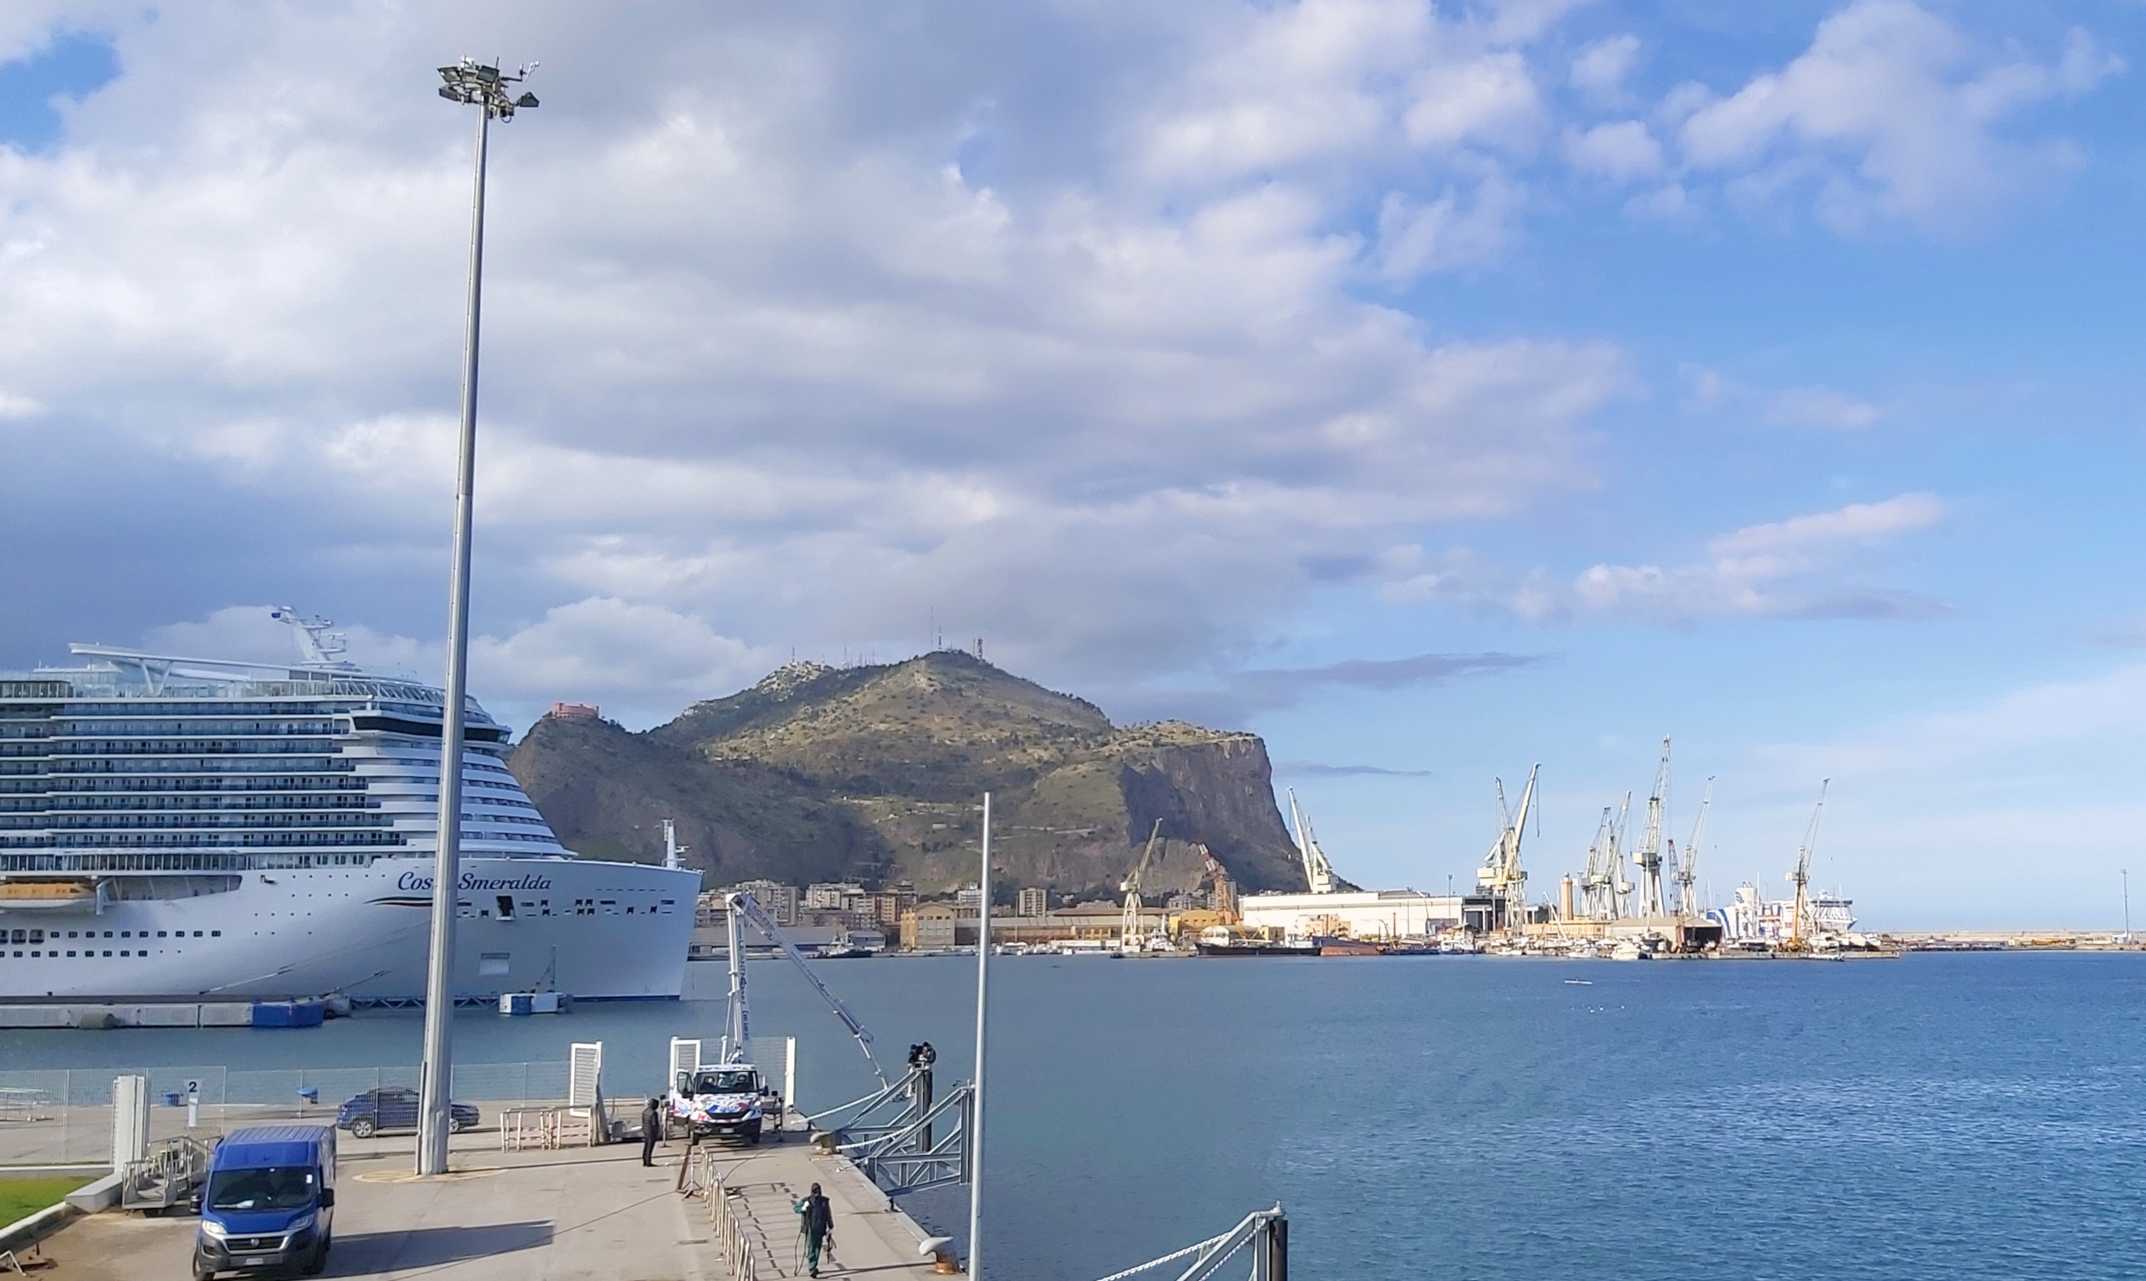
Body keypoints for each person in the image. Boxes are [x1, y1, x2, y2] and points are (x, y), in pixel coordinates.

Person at [794, 1181, 834, 1277]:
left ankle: (813, 1265)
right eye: (815, 1191)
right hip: (810, 1229)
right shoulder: (806, 1201)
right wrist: (803, 1208)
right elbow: (796, 1208)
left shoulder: (824, 1201)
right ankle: (812, 1268)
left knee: (817, 1248)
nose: (817, 1193)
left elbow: (828, 1214)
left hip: (820, 1228)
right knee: (811, 1248)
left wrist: (830, 1226)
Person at [640, 1096, 663, 1167]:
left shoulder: (645, 1111)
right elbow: (654, 1124)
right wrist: (658, 1132)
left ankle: (644, 1160)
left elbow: (643, 1121)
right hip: (651, 1132)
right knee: (650, 1147)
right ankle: (648, 1162)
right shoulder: (653, 1113)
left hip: (645, 1130)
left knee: (646, 1146)